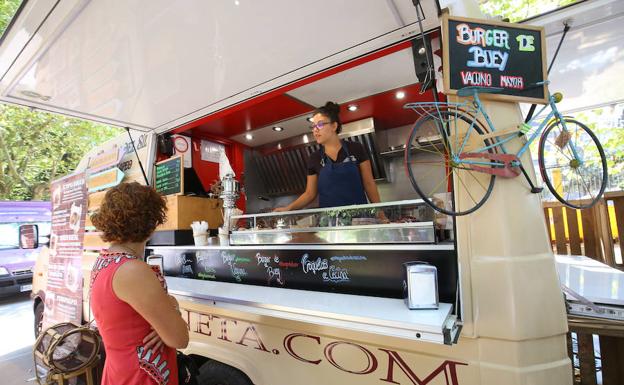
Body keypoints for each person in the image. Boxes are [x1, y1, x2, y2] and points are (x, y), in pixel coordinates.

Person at [90, 182, 189, 385]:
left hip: (120, 370)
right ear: (151, 223)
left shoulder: (105, 260)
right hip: (141, 377)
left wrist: (168, 310)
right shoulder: (133, 270)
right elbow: (179, 339)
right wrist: (173, 311)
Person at [275, 101, 383, 211]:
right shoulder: (314, 158)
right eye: (313, 126)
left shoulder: (356, 148)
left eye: (320, 124)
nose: (315, 130)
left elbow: (369, 183)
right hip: (330, 223)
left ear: (334, 126)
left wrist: (380, 213)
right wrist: (288, 208)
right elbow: (309, 193)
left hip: (359, 219)